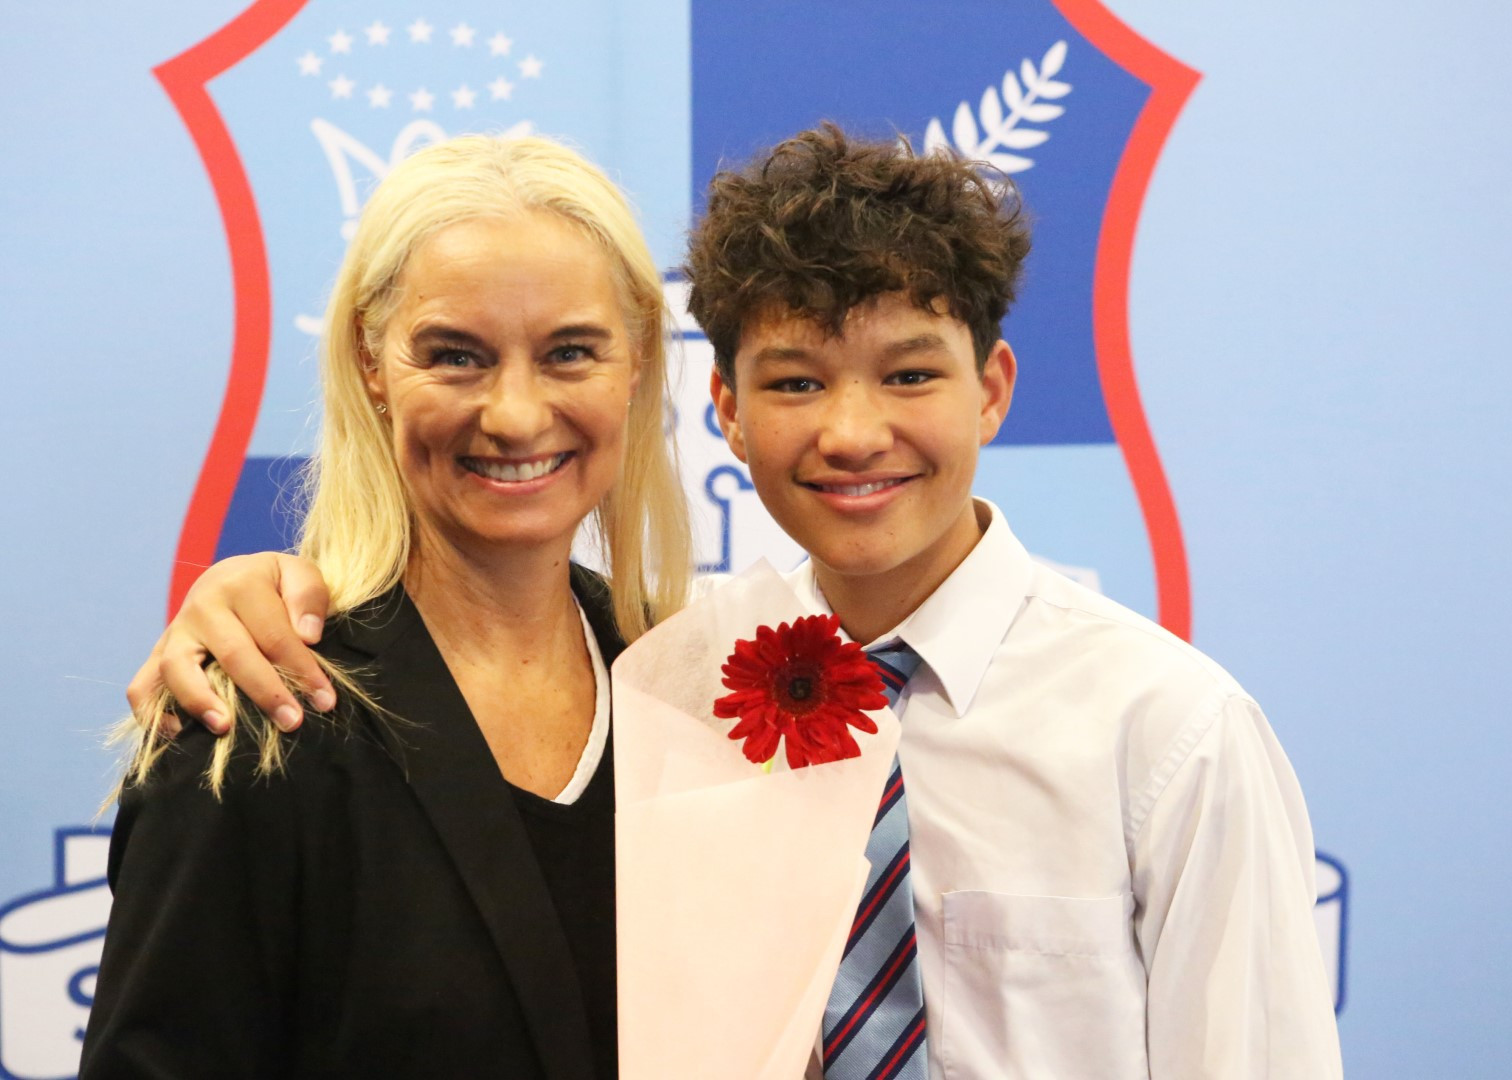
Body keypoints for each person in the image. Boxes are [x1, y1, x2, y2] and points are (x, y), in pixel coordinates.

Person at [129, 126, 1343, 1077]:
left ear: (991, 389)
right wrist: (254, 595)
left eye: (909, 374)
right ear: (724, 408)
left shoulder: (1168, 733)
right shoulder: (684, 680)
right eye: (797, 382)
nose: (852, 432)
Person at [83, 133, 691, 1079]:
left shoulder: (694, 696)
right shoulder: (260, 716)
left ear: (638, 358)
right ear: (372, 362)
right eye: (456, 356)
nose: (516, 415)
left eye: (571, 352)